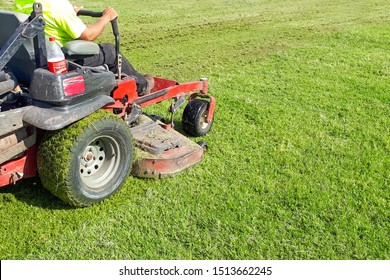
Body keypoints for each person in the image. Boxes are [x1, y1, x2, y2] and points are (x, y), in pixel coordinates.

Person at [14, 0, 153, 96]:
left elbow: (51, 21)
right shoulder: (56, 5)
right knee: (109, 51)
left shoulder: (22, 2)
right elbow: (88, 35)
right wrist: (106, 17)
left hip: (30, 61)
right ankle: (143, 86)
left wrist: (70, 13)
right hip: (56, 62)